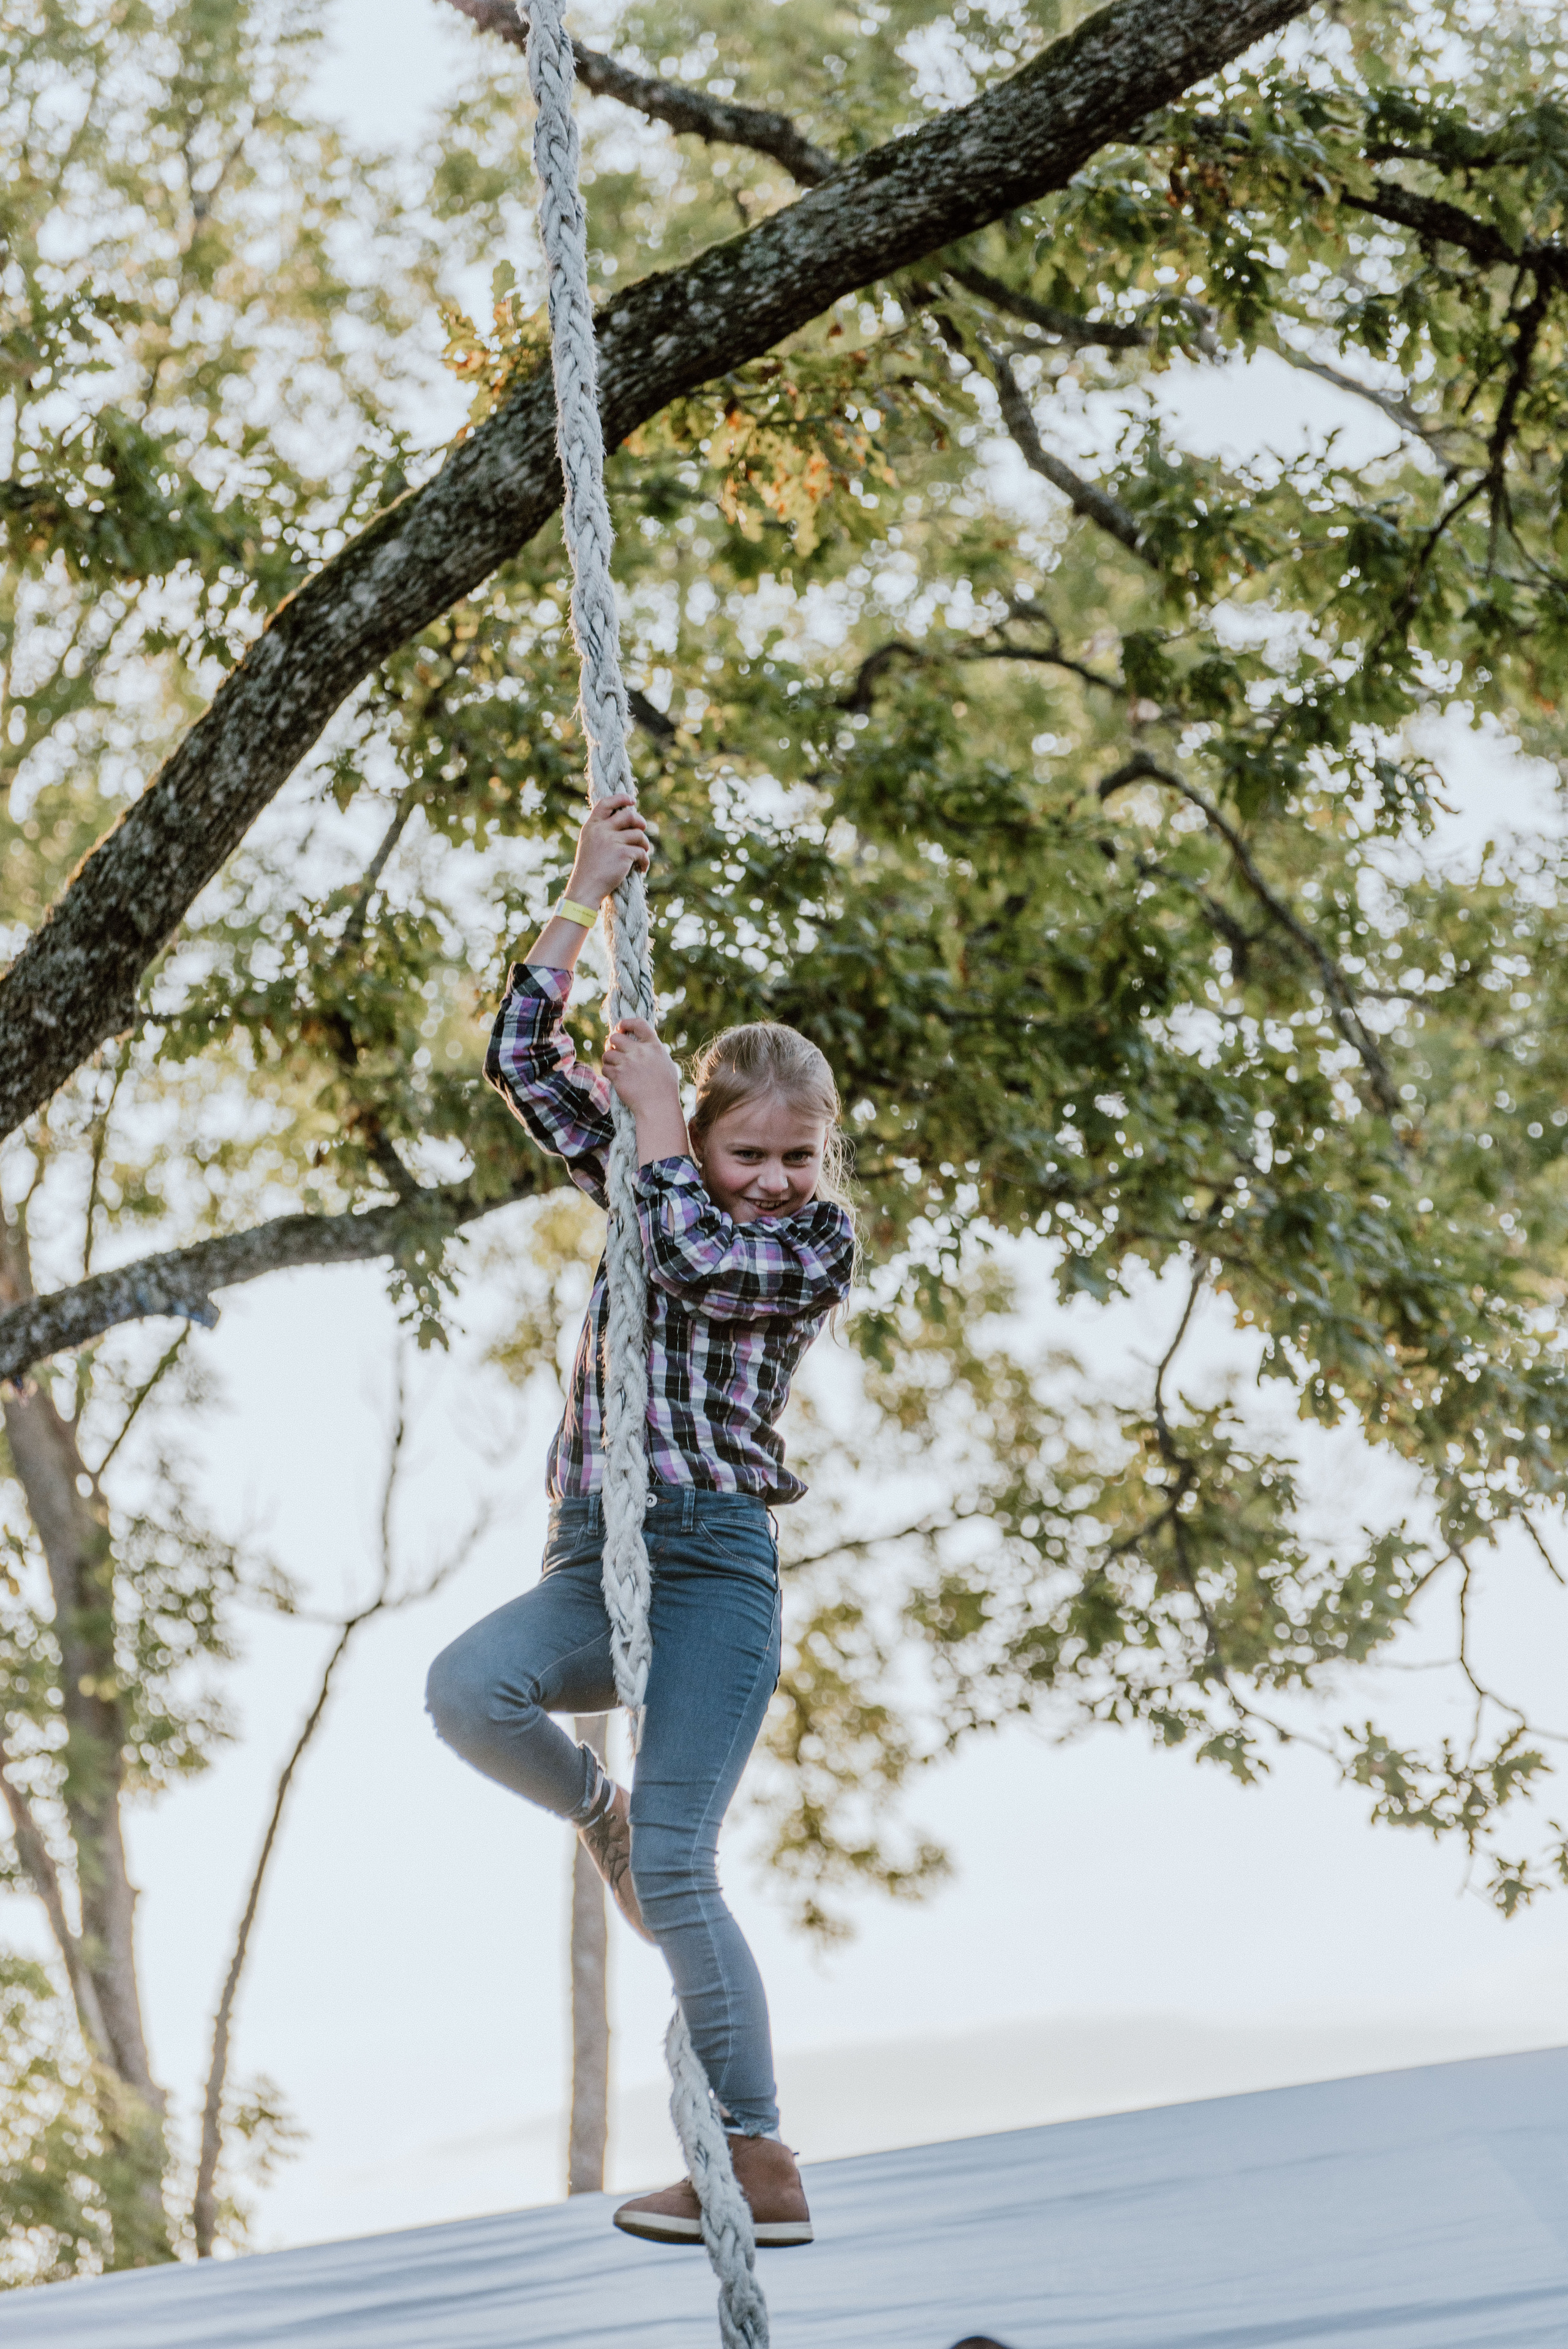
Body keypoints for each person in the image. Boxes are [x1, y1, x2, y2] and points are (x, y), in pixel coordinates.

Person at [426, 792, 857, 2249]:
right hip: (594, 1553)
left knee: (684, 1863)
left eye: (798, 1156)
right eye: (753, 1154)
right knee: (466, 1691)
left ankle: (758, 2155)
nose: (776, 1180)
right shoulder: (646, 1165)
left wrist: (664, 1124)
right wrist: (581, 894)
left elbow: (689, 1251)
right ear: (712, 1136)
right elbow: (515, 1059)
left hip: (713, 1567)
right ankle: (593, 1814)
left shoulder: (807, 1245)